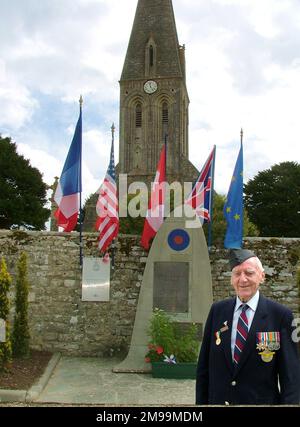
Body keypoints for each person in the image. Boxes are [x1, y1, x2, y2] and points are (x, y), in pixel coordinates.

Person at [196, 248, 300, 405]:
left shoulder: (280, 316)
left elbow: (291, 376)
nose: (242, 279)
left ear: (262, 276)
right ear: (231, 279)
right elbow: (203, 368)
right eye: (237, 274)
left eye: (249, 273)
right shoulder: (217, 311)